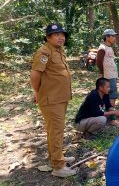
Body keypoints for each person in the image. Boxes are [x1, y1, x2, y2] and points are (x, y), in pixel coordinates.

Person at [30, 23, 77, 177]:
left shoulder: (58, 51)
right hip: (51, 100)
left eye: (62, 34)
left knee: (55, 131)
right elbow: (35, 75)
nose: (60, 37)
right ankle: (58, 167)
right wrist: (37, 91)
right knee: (56, 132)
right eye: (56, 34)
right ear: (48, 37)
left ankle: (57, 158)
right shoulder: (44, 52)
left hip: (60, 98)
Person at [96, 29, 119, 126]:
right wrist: (102, 73)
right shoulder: (102, 48)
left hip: (112, 75)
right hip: (108, 76)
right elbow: (98, 62)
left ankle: (109, 114)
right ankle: (112, 119)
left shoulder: (109, 47)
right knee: (112, 95)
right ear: (107, 37)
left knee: (110, 96)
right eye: (113, 36)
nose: (115, 38)